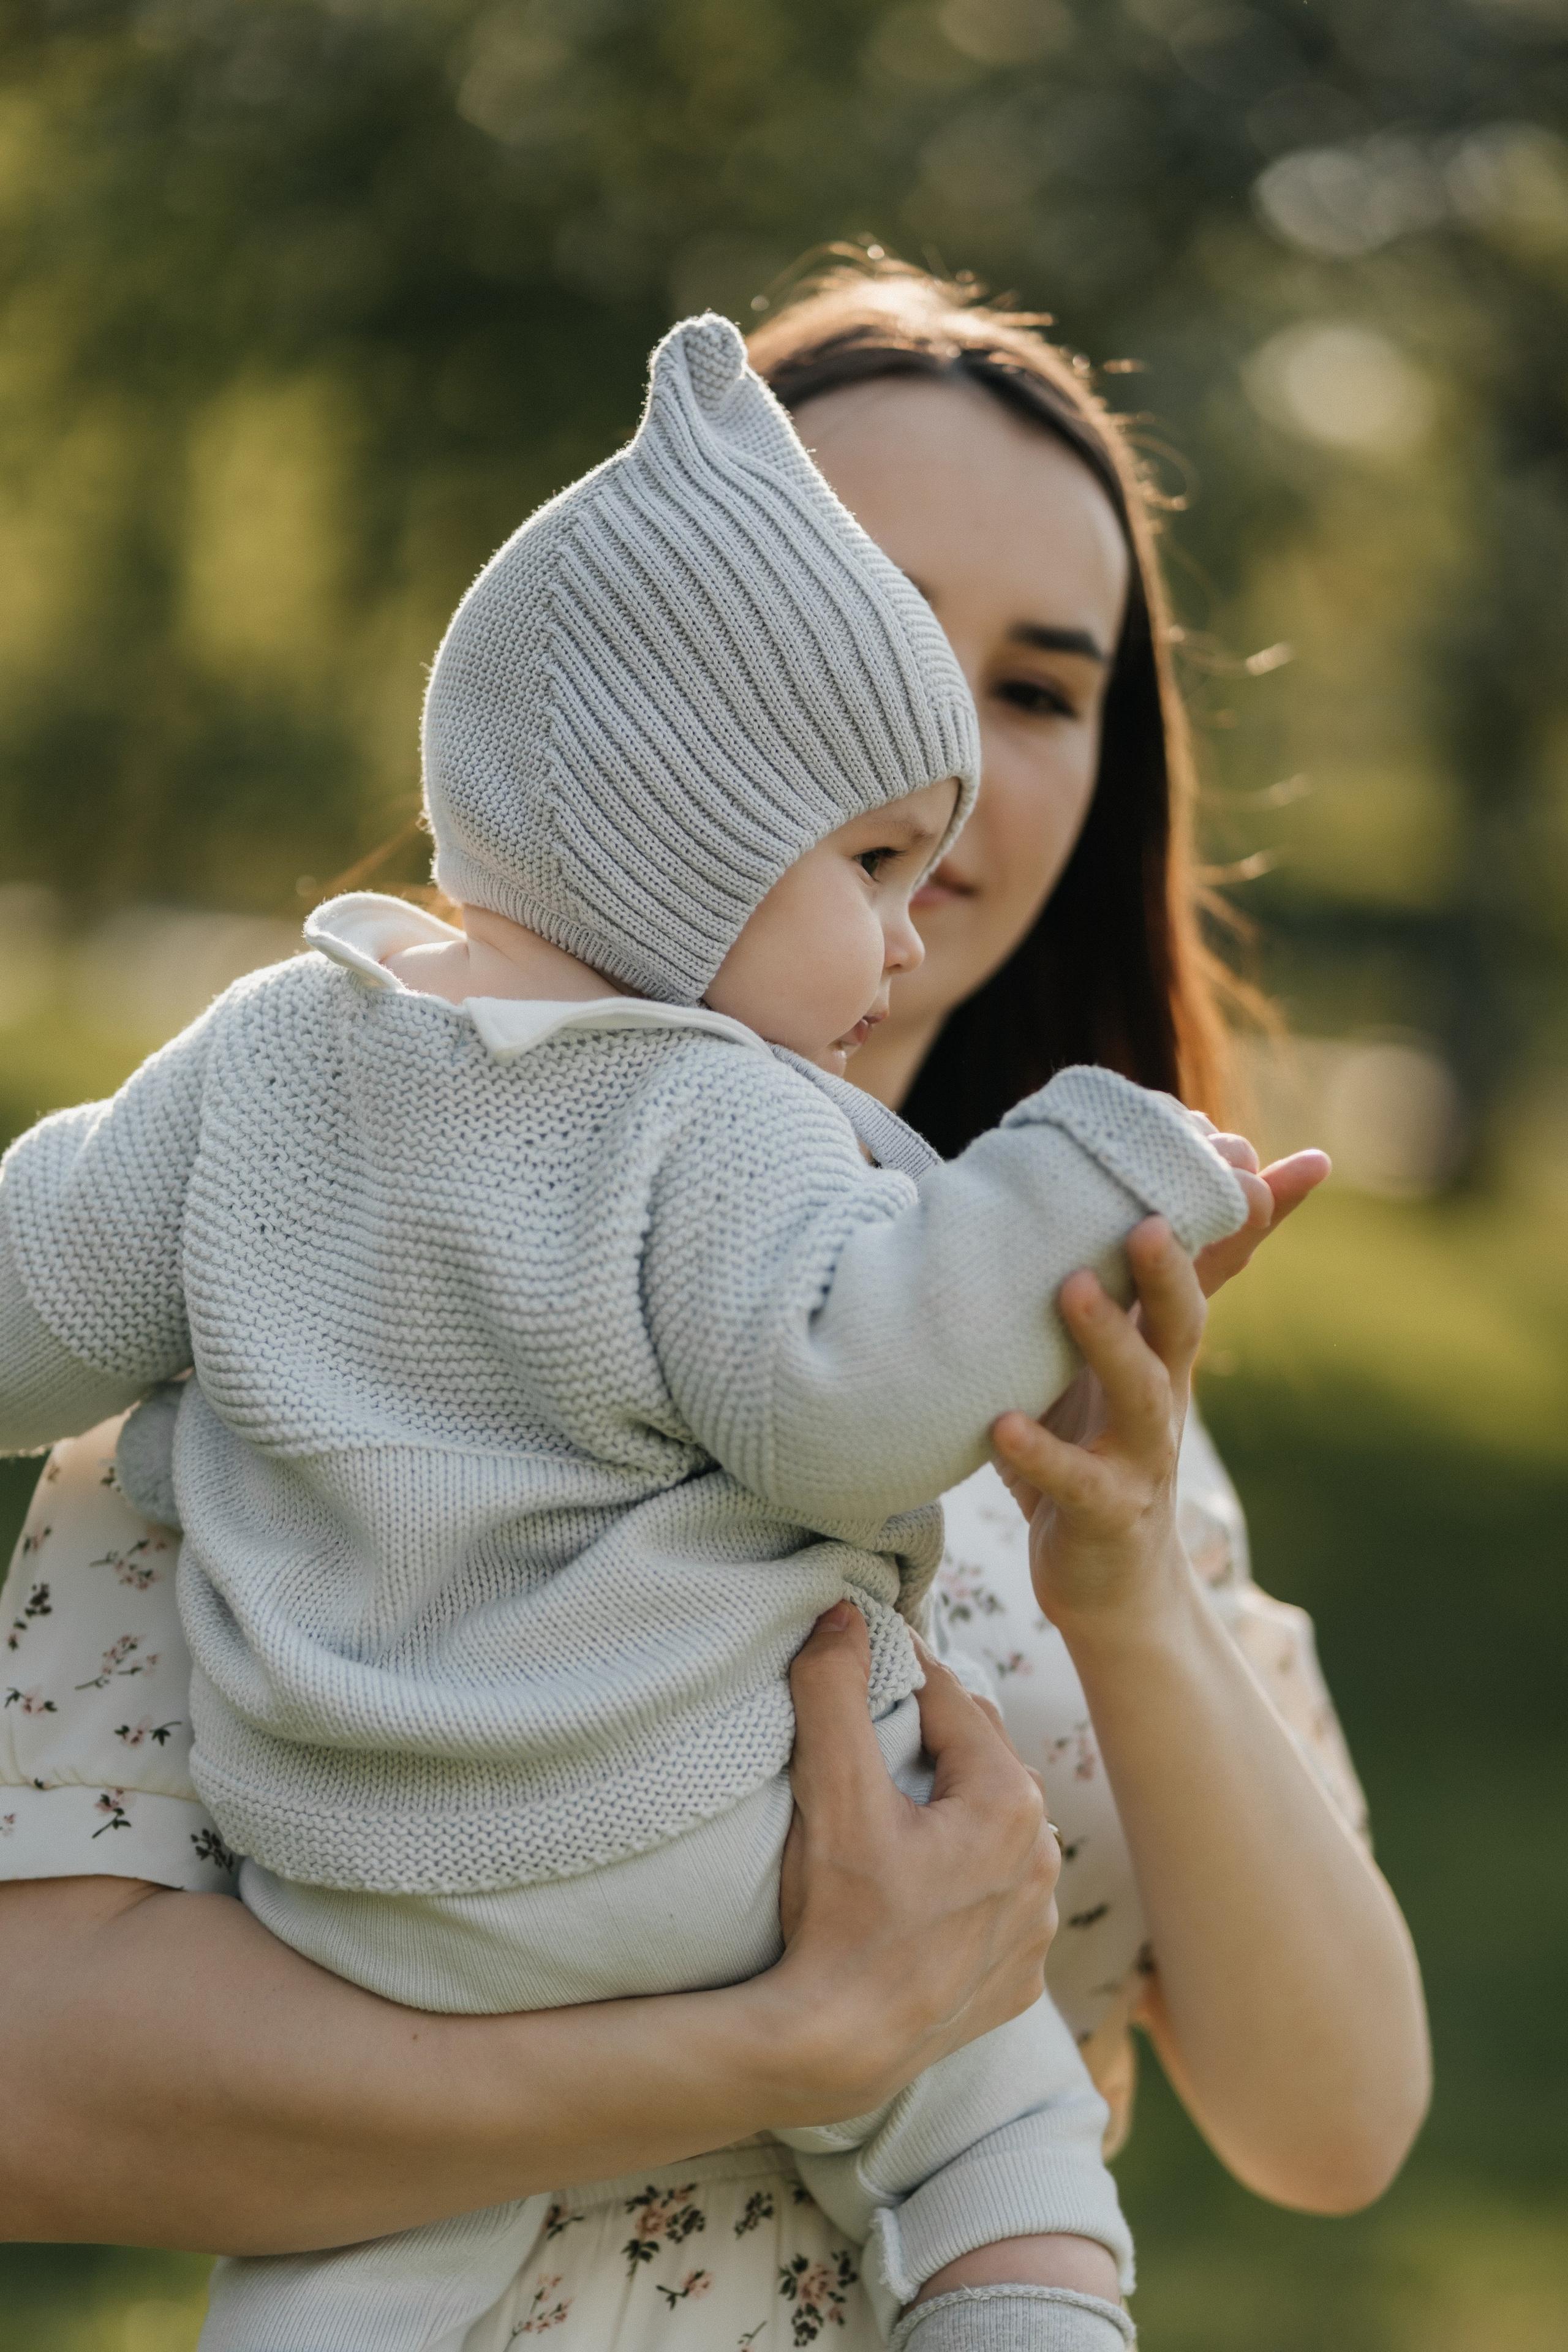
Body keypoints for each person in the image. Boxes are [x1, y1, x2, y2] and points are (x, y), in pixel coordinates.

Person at [0, 261, 1429, 2349]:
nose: (951, 755)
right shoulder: (291, 1288)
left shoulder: (1093, 1368)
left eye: (1041, 692)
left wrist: (1121, 1586)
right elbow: (36, 2090)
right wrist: (790, 2041)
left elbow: (1338, 2127)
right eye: (871, 633)